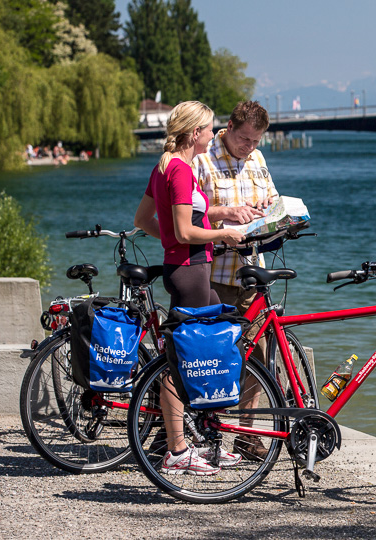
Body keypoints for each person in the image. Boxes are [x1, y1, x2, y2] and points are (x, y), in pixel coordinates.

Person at [133, 100, 248, 476]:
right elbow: (184, 231)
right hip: (190, 272)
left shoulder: (164, 166)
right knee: (181, 363)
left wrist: (213, 219)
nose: (213, 134)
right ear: (194, 133)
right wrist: (223, 235)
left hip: (186, 268)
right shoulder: (180, 170)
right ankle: (177, 450)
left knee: (210, 349)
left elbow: (144, 219)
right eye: (209, 129)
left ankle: (207, 440)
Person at [193, 100, 280, 461]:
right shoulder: (201, 159)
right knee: (207, 354)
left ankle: (246, 434)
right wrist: (226, 213)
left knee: (258, 355)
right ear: (228, 127)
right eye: (245, 139)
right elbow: (187, 214)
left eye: (256, 141)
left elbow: (272, 199)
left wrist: (275, 212)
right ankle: (196, 432)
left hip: (251, 272)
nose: (250, 147)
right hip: (213, 272)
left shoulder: (257, 159)